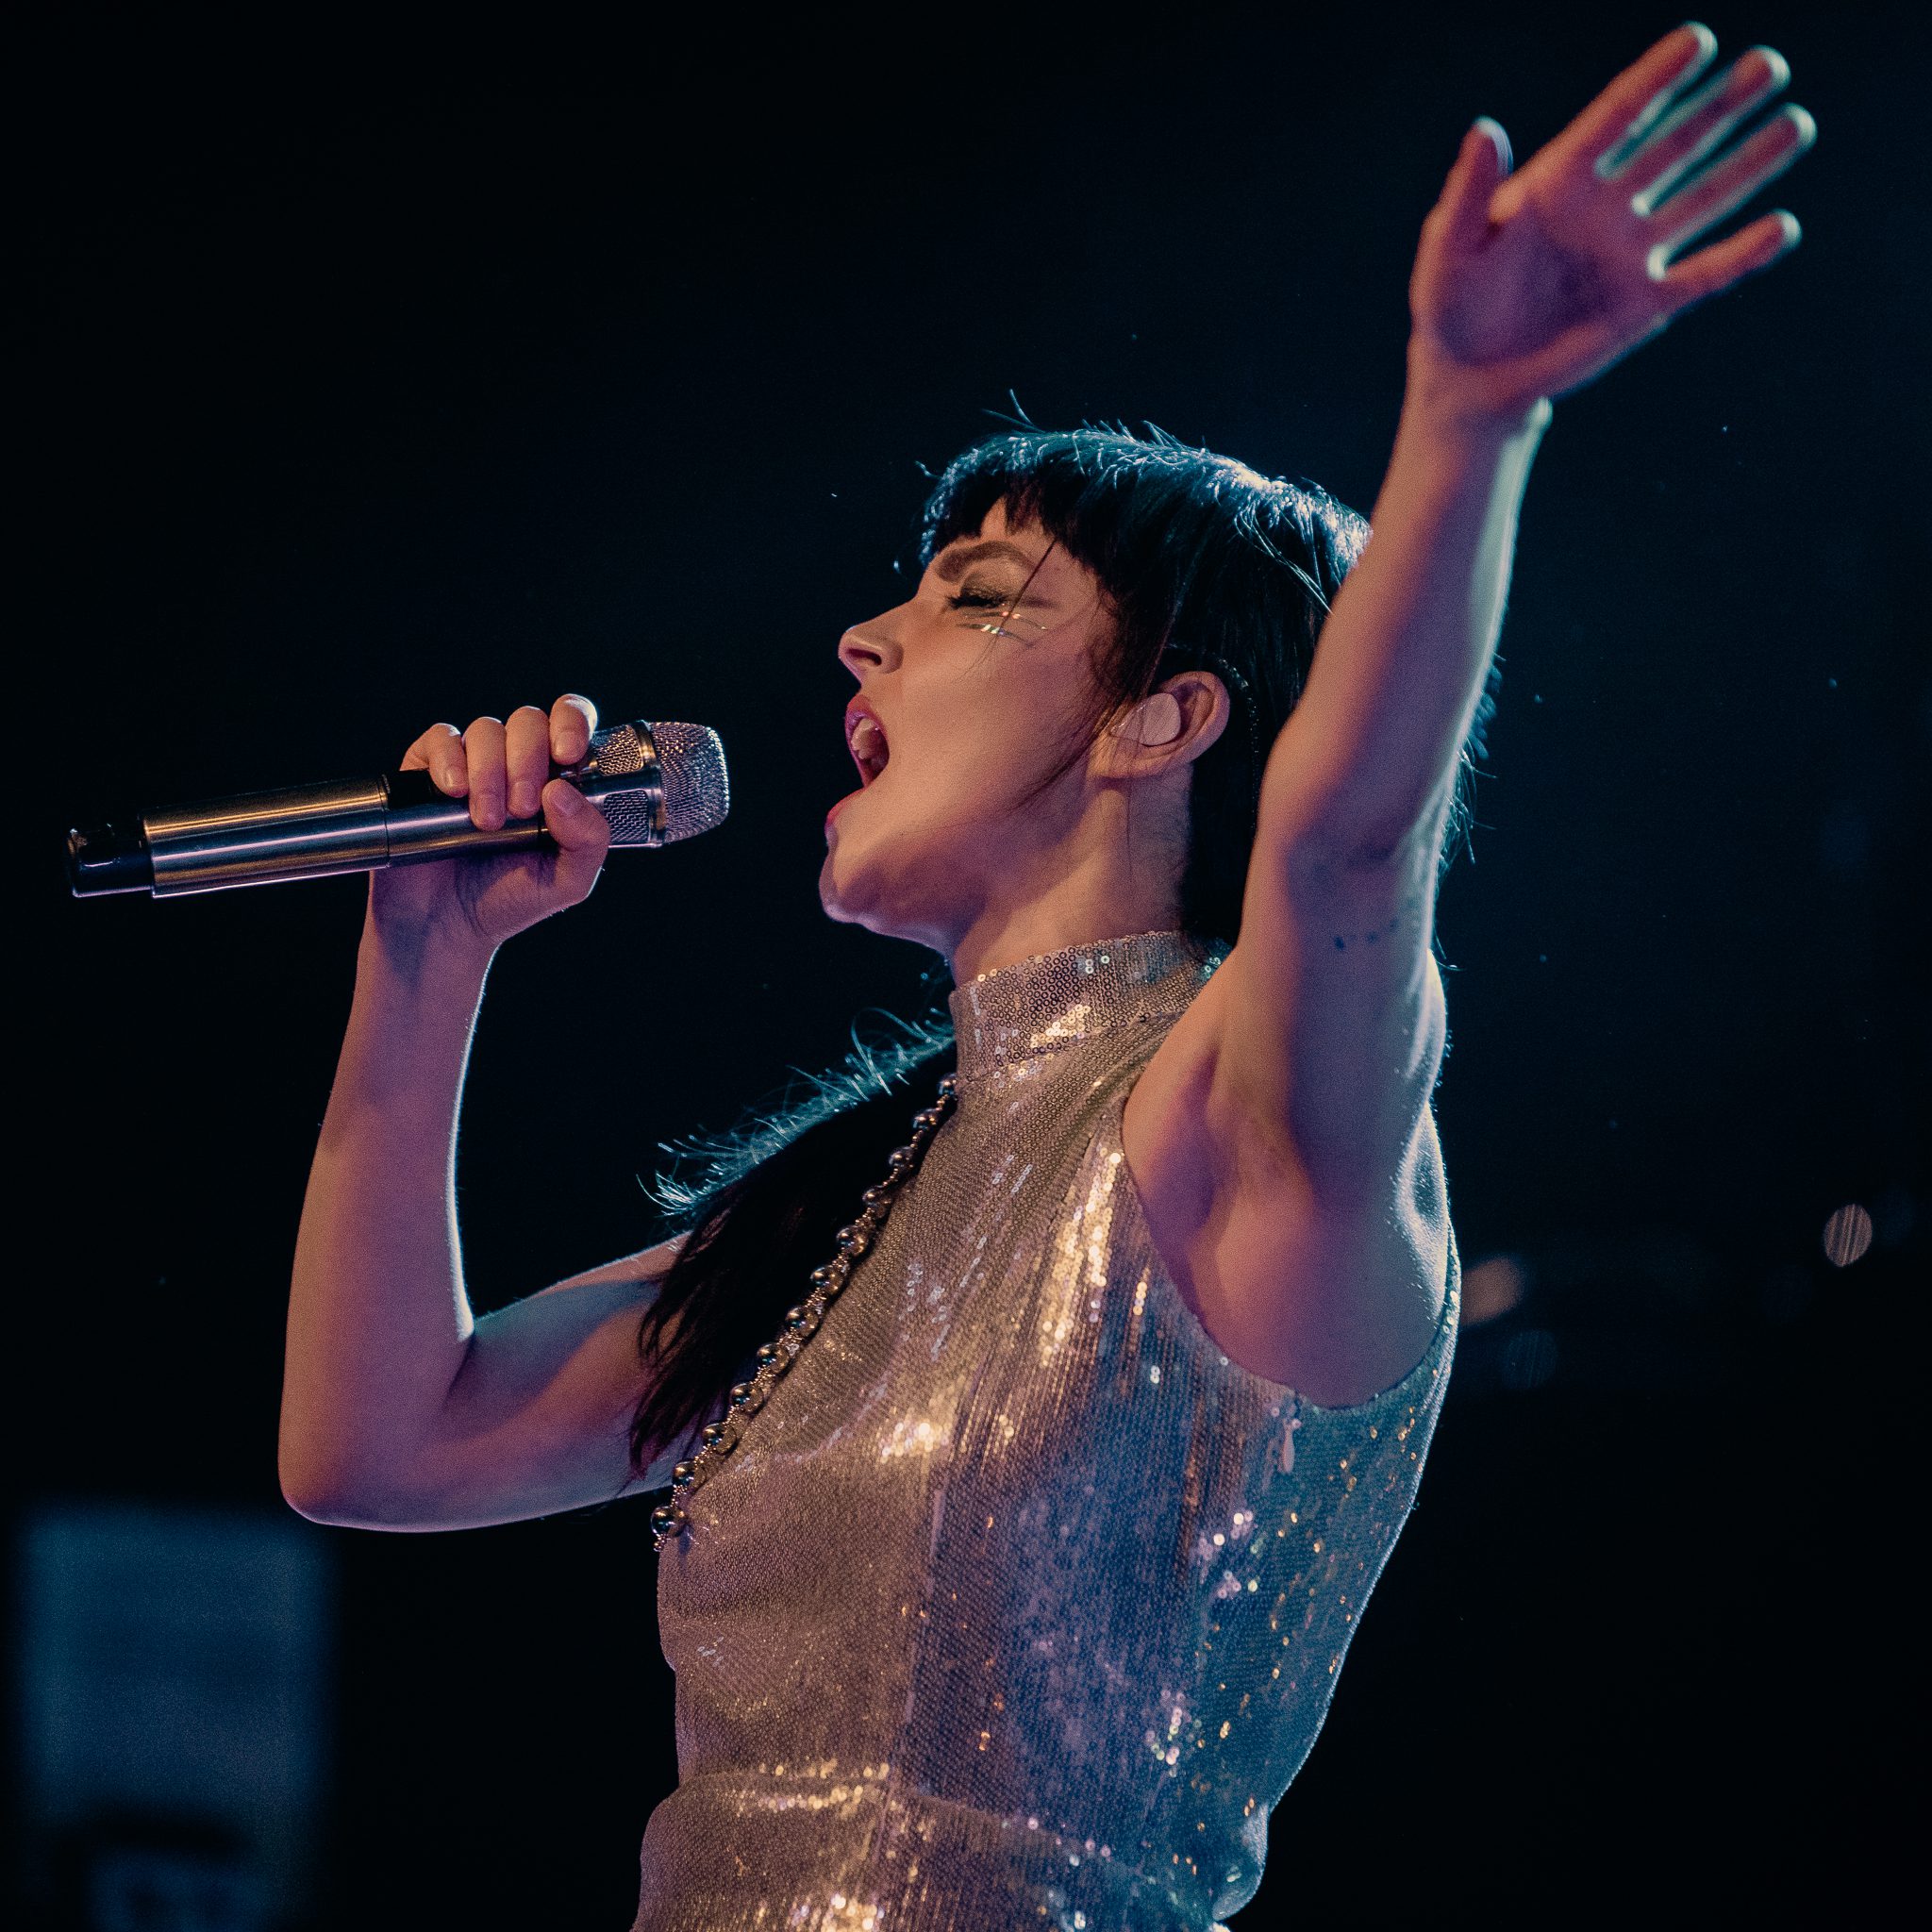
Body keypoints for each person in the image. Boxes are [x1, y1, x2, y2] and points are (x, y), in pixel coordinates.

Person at [276, 25, 1812, 1928]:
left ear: (1164, 719)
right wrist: (421, 962)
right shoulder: (835, 1212)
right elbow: (374, 1442)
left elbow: (1343, 842)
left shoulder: (1234, 1127)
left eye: (976, 598)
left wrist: (1469, 418)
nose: (861, 638)